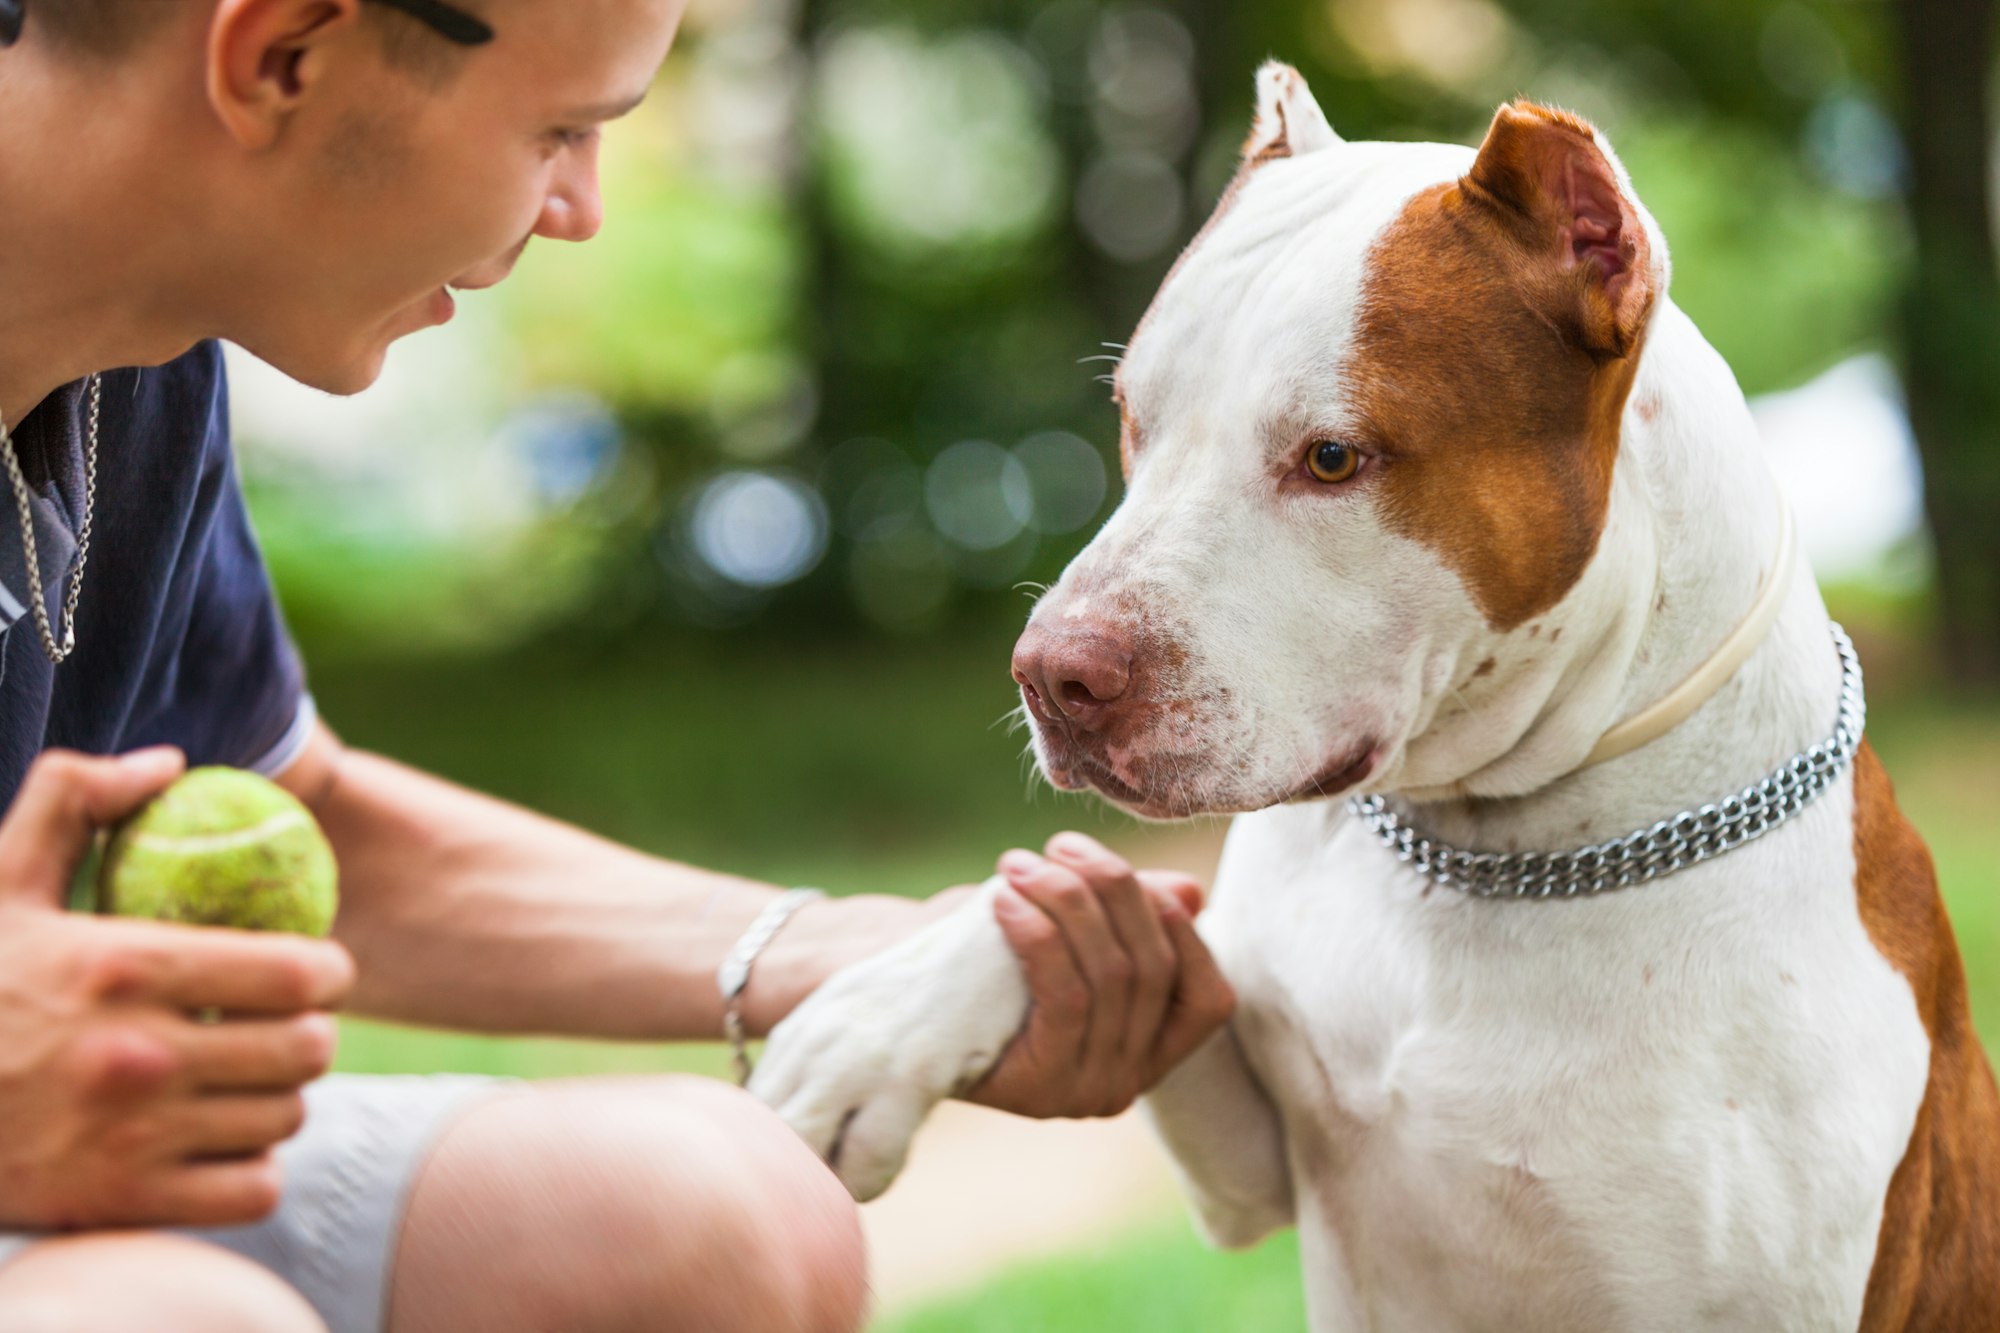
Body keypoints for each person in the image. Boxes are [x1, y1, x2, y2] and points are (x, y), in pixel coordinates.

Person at [0, 1, 1237, 1330]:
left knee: (720, 1212)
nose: (581, 207)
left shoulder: (137, 377)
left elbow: (304, 811)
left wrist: (850, 952)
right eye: (560, 132)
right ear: (282, 56)